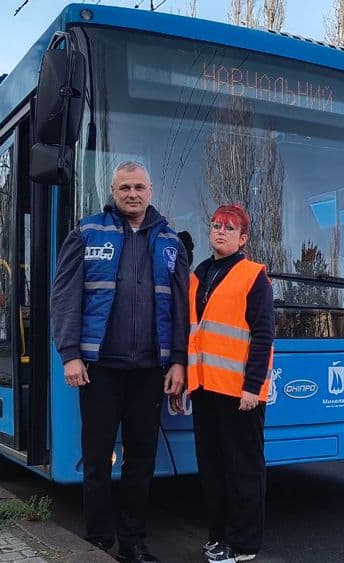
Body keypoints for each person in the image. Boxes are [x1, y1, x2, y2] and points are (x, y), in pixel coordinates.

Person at [50, 160, 189, 563]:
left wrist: (178, 360)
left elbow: (180, 307)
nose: (132, 194)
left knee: (141, 460)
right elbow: (65, 296)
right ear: (113, 191)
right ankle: (97, 540)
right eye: (125, 187)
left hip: (150, 372)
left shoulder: (170, 242)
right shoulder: (87, 232)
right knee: (96, 460)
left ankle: (132, 542)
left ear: (151, 191)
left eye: (139, 187)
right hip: (100, 371)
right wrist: (70, 354)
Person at [178, 204, 274, 563]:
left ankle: (244, 544)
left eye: (230, 228)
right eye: (216, 225)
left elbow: (263, 335)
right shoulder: (199, 277)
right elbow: (194, 335)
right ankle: (219, 537)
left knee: (243, 469)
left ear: (243, 238)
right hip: (206, 390)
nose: (220, 231)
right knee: (214, 468)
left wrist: (253, 386)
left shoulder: (253, 277)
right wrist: (187, 381)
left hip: (240, 394)